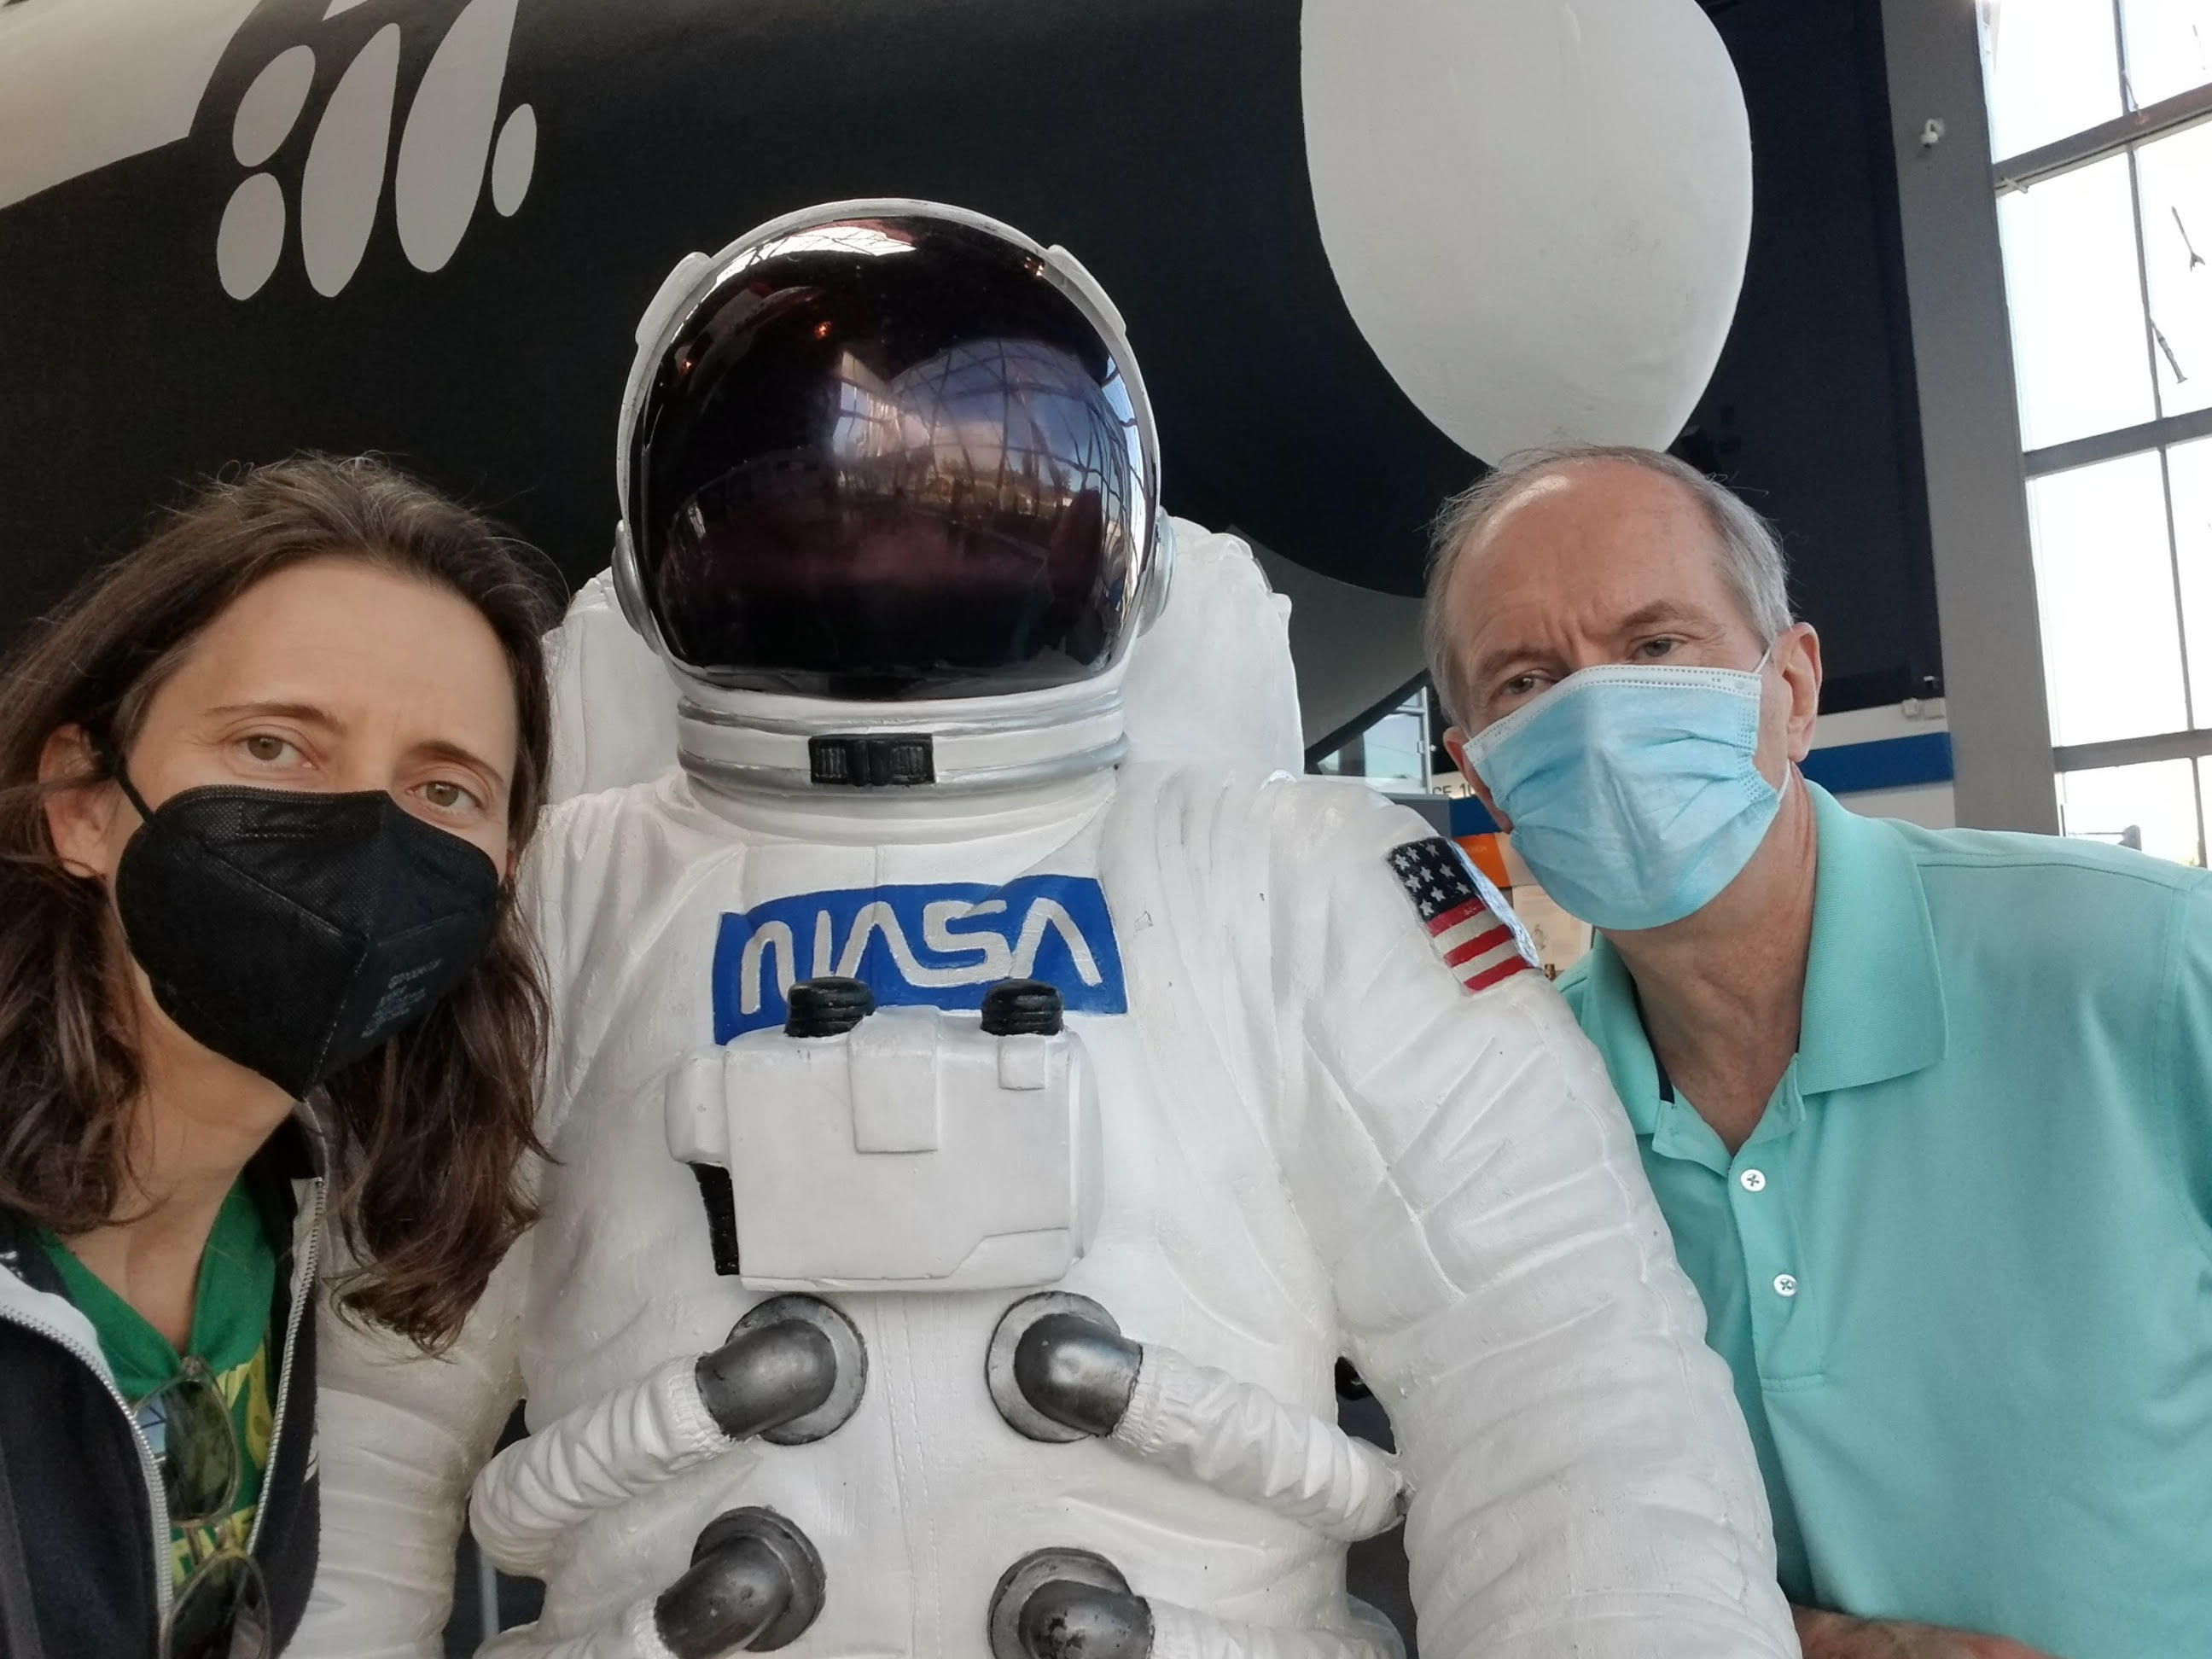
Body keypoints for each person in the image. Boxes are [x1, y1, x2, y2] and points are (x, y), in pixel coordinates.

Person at [295, 201, 1795, 1659]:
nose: (893, 528)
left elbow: (1563, 1399)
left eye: (972, 480)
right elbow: (362, 1425)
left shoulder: (1296, 884)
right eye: (810, 488)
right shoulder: (552, 906)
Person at [1428, 441, 2212, 1659]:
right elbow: (1543, 1537)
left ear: (1791, 691)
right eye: (1527, 679)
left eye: (1656, 647)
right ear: (1480, 767)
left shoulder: (2138, 965)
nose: (1595, 715)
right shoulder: (1517, 1109)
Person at [0, 456, 560, 1657]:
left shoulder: (300, 1225)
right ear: (82, 803)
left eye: (445, 789)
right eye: (273, 747)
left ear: (502, 871)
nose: (365, 839)